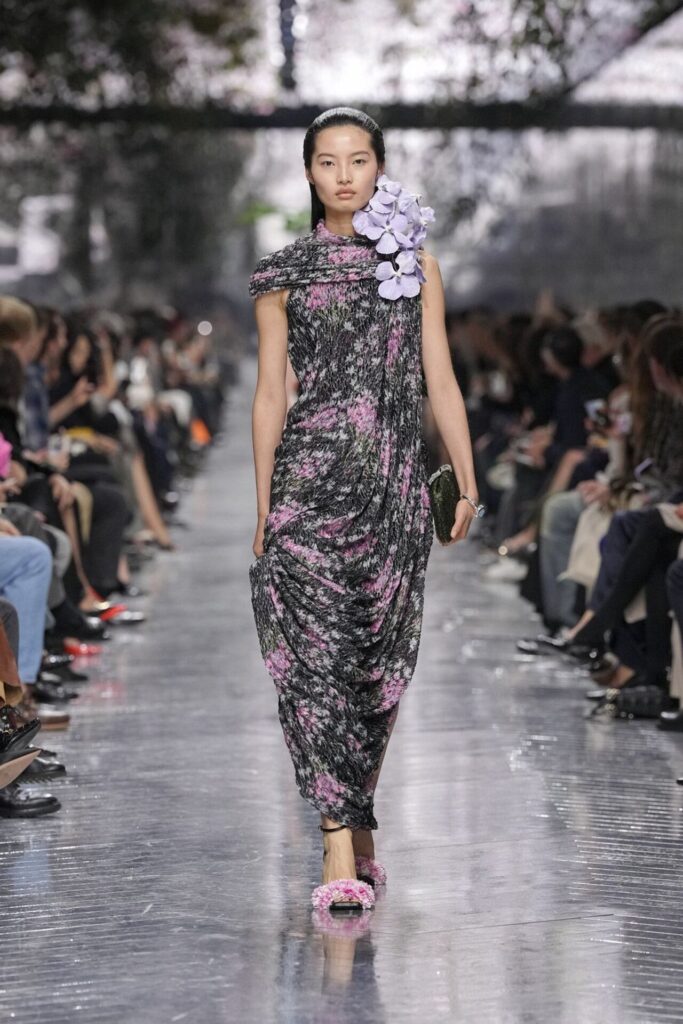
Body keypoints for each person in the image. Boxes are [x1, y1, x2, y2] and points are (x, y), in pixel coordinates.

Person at [248, 107, 478, 915]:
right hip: (307, 487)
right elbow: (270, 394)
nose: (343, 175)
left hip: (393, 486)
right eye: (326, 161)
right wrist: (263, 505)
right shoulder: (282, 274)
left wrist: (465, 481)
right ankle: (336, 843)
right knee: (314, 662)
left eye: (357, 160)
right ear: (308, 173)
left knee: (378, 666)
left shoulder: (415, 265)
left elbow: (439, 379)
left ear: (379, 167)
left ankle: (360, 819)